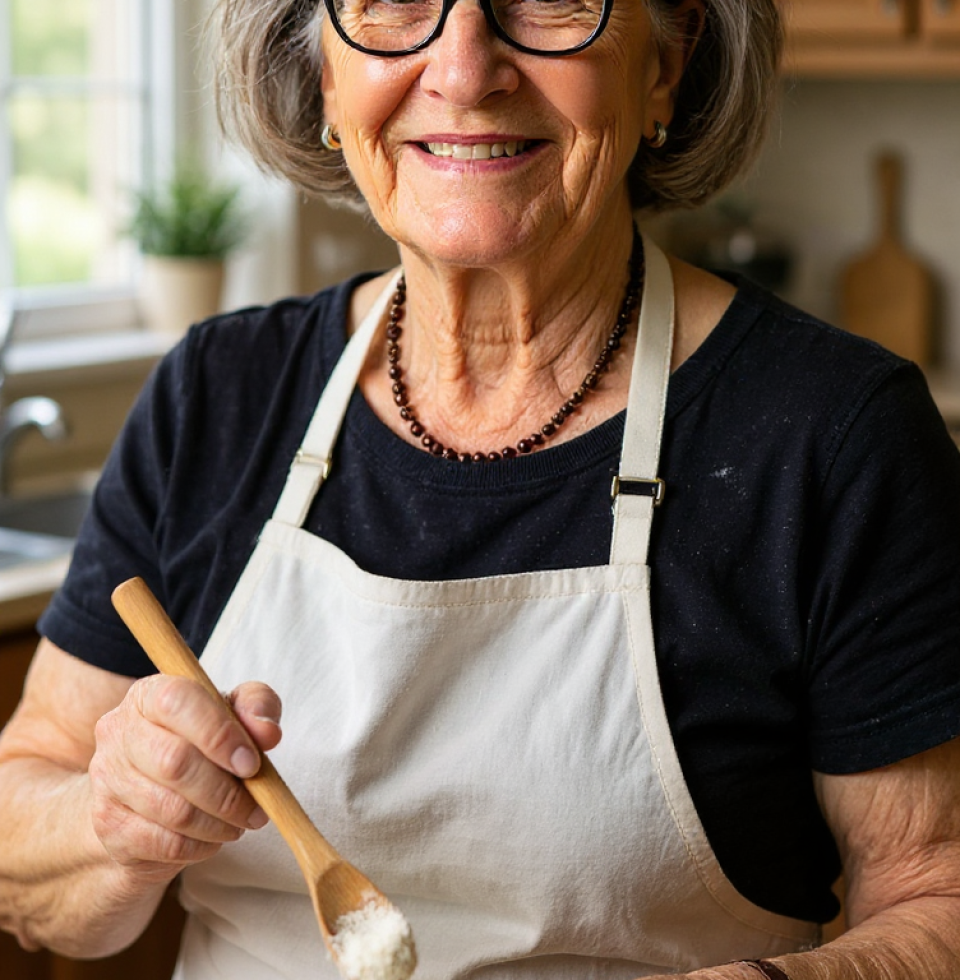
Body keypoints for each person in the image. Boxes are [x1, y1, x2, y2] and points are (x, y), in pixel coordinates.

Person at [1, 0, 959, 977]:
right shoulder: (215, 392)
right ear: (325, 74)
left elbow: (938, 896)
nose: (463, 70)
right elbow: (25, 851)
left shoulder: (834, 435)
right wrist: (110, 820)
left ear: (666, 62)